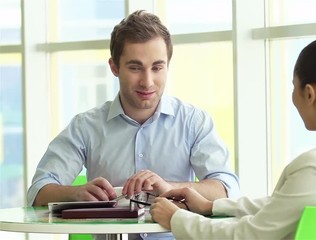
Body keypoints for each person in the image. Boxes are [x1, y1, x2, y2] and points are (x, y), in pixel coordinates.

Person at [149, 37, 316, 239]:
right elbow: (282, 206)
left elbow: (250, 235)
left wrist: (176, 219)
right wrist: (211, 206)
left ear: (309, 94)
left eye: (293, 87)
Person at [27, 10, 240, 240]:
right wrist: (74, 194)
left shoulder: (193, 122)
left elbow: (226, 188)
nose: (147, 81)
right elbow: (38, 192)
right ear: (114, 67)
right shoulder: (86, 127)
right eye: (135, 67)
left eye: (157, 67)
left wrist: (168, 187)